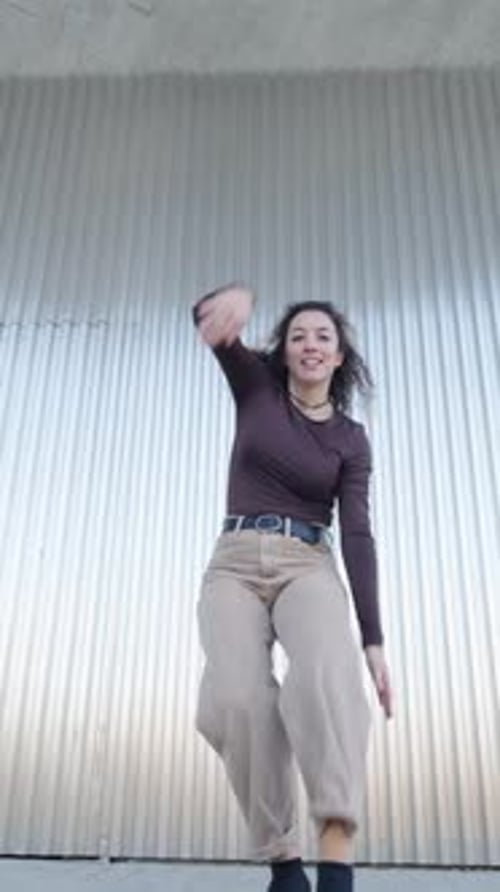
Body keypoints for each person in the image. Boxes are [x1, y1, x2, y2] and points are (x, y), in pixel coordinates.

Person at [192, 284, 393, 892]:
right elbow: (208, 318)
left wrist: (374, 640)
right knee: (234, 700)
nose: (309, 344)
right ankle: (284, 864)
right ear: (283, 353)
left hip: (308, 560)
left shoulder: (350, 440)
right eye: (298, 335)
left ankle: (336, 860)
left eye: (322, 337)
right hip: (233, 563)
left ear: (337, 357)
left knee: (328, 679)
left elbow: (356, 533)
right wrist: (234, 299)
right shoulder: (257, 389)